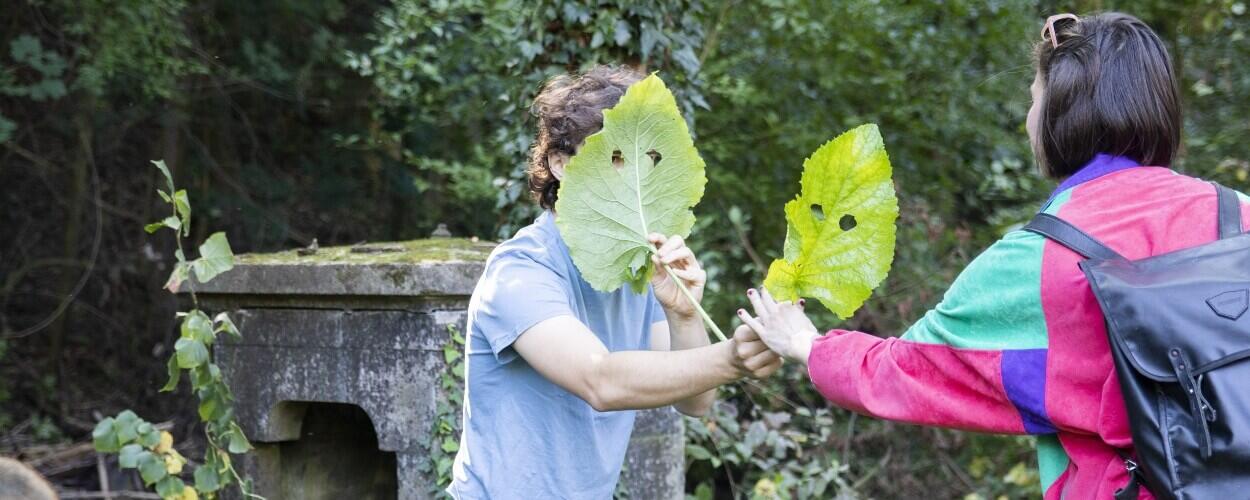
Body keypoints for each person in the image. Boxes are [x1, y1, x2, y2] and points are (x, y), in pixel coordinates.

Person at [737, 12, 1237, 500]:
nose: (1028, 117)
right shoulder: (1239, 215)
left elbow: (908, 372)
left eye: (1034, 98)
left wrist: (809, 346)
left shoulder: (1040, 258)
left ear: (1060, 111)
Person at [447, 65, 782, 499]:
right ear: (560, 164)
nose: (630, 177)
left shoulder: (633, 270)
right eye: (613, 157)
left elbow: (695, 403)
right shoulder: (521, 269)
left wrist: (682, 314)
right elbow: (600, 380)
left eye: (643, 162)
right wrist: (733, 358)